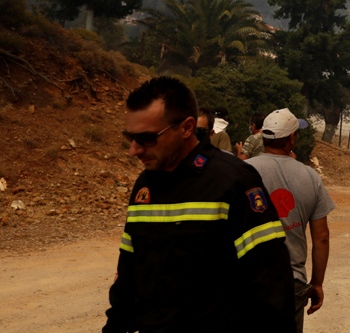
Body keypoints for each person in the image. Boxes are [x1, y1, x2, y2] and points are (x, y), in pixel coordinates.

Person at [104, 76, 295, 332]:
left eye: (147, 138)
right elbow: (128, 274)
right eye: (131, 137)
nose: (134, 150)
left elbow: (271, 281)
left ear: (186, 127)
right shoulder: (145, 187)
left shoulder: (233, 181)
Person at [247, 108, 336, 330]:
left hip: (247, 278)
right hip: (291, 281)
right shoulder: (309, 176)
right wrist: (316, 283)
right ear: (292, 138)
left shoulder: (243, 171)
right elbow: (322, 237)